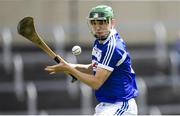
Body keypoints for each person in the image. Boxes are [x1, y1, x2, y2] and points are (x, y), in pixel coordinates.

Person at [45, 5, 138, 115]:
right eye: (94, 23)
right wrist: (70, 66)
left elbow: (96, 82)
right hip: (106, 105)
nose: (98, 27)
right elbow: (93, 69)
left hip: (121, 105)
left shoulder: (112, 47)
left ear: (112, 23)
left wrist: (70, 69)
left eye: (102, 22)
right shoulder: (100, 41)